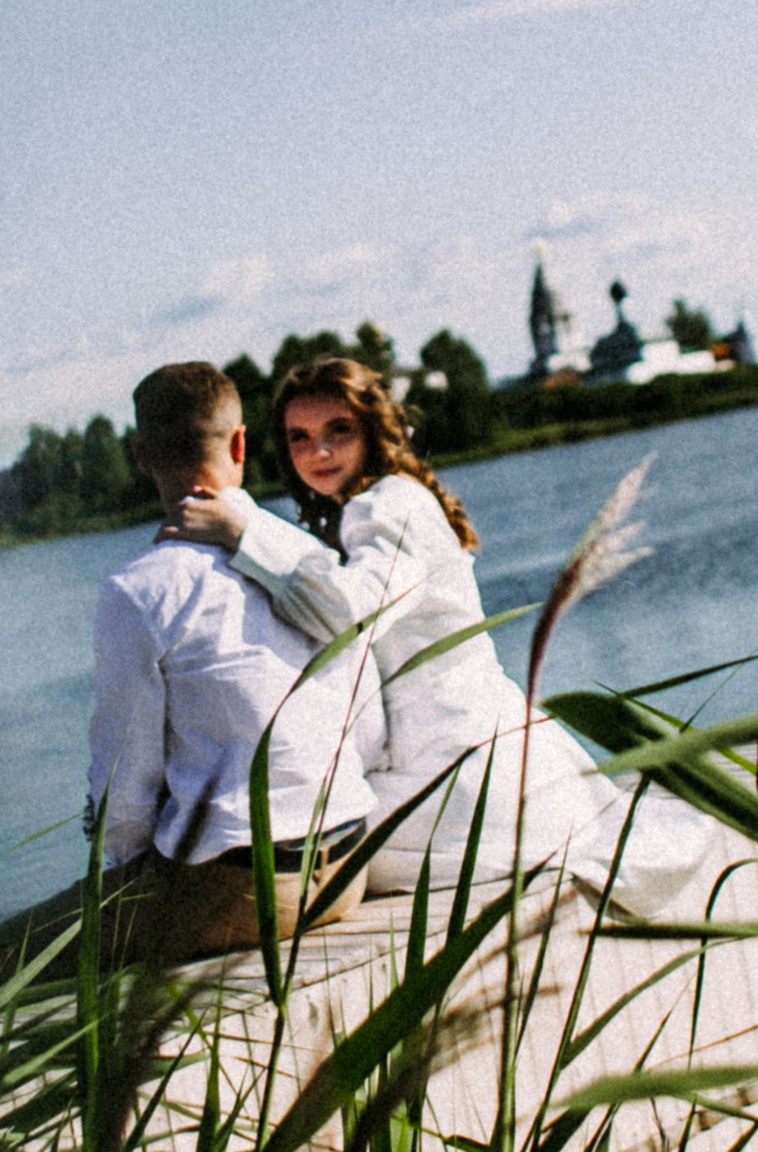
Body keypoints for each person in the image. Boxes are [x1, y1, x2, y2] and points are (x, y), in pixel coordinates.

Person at [175, 349, 723, 924]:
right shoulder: (391, 500)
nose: (320, 452)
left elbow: (352, 611)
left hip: (458, 764)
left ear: (373, 431)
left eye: (338, 431)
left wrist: (244, 532)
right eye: (300, 438)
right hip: (487, 743)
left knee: (309, 846)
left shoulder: (382, 506)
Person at [0, 360, 371, 990]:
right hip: (348, 867)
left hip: (253, 893)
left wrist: (130, 878)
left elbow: (125, 783)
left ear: (140, 456)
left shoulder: (139, 589)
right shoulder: (301, 554)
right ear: (240, 444)